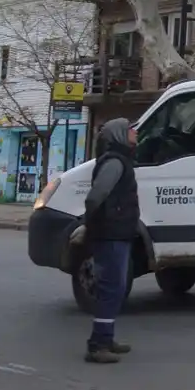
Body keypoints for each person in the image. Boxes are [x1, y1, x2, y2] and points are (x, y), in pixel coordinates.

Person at [79, 119, 139, 364]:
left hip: (118, 233)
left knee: (115, 288)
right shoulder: (114, 163)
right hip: (110, 235)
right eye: (131, 129)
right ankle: (98, 345)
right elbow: (95, 197)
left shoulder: (120, 160)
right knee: (111, 289)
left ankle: (106, 337)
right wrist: (89, 224)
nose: (136, 132)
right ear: (119, 135)